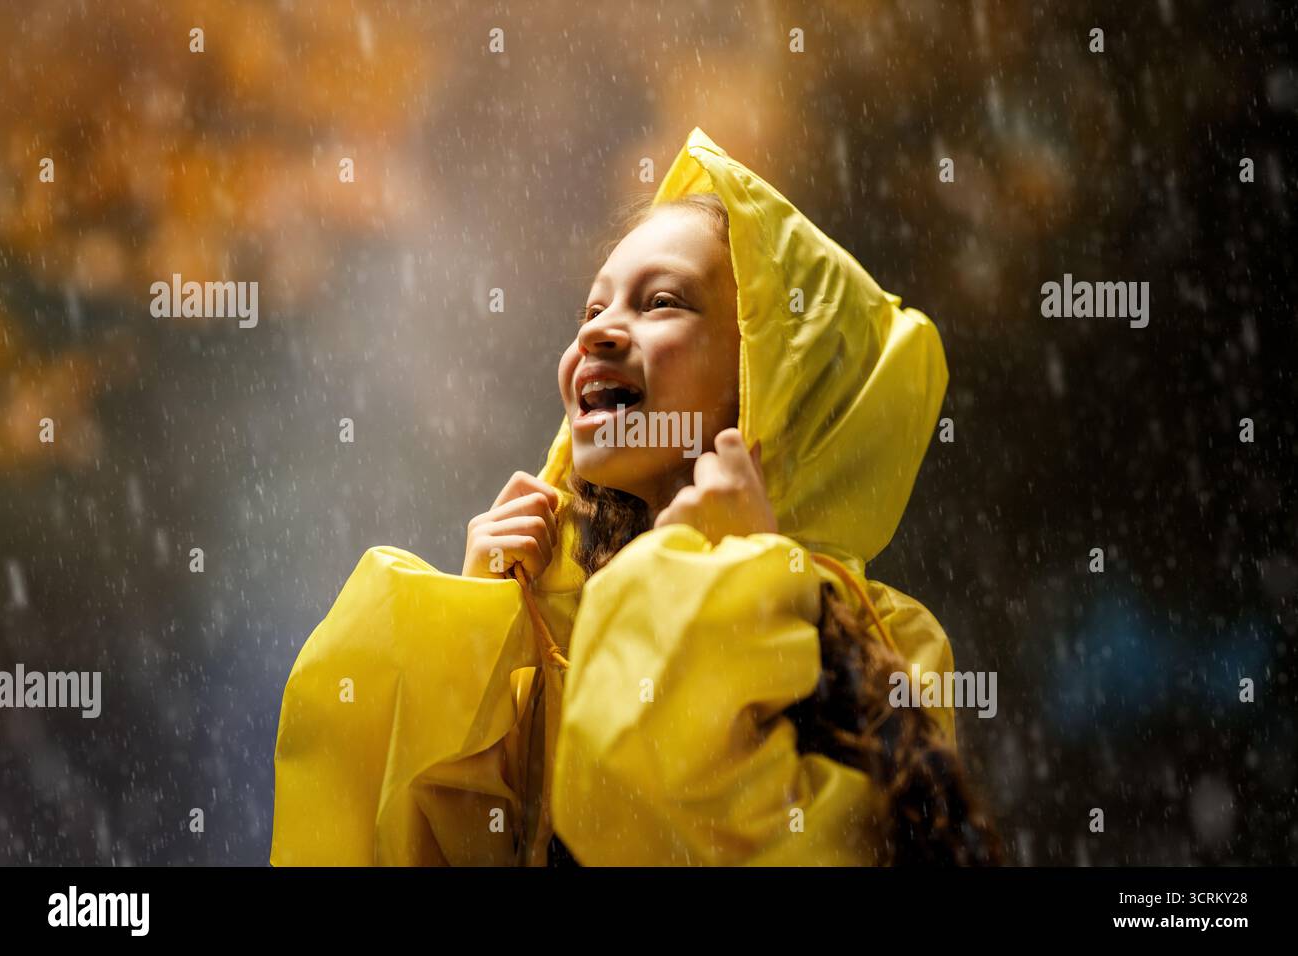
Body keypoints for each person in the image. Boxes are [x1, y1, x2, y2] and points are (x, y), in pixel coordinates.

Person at [271, 127, 1001, 867]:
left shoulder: (886, 639)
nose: (600, 334)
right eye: (590, 312)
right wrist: (458, 643)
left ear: (772, 379)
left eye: (661, 303)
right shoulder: (546, 633)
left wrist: (730, 591)